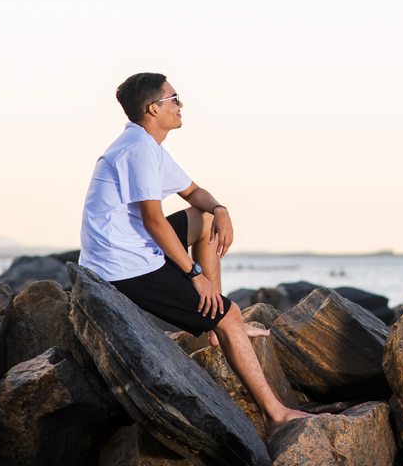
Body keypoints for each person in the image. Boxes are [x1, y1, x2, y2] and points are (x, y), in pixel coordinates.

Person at [79, 72, 313, 434]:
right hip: (121, 266)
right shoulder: (138, 150)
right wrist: (195, 275)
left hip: (133, 246)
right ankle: (275, 414)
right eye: (174, 98)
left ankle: (217, 326)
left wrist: (220, 208)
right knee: (231, 313)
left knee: (204, 220)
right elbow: (155, 222)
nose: (181, 104)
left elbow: (193, 193)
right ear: (153, 108)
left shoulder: (148, 145)